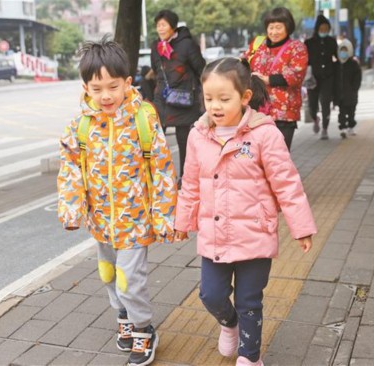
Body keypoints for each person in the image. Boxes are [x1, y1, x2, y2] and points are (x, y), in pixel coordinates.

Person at [174, 57, 317, 366]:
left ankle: (250, 358)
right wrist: (182, 221)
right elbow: (190, 183)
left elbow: (287, 183)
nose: (215, 106)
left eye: (224, 99)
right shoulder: (198, 135)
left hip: (255, 233)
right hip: (215, 234)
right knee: (210, 295)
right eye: (209, 98)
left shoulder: (264, 134)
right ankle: (229, 324)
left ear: (245, 97)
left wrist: (301, 226)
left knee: (249, 301)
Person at [57, 37, 178, 366]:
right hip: (102, 223)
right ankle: (123, 314)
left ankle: (144, 328)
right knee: (108, 274)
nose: (106, 95)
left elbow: (162, 170)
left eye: (113, 86)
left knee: (129, 279)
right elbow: (71, 171)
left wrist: (165, 216)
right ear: (86, 87)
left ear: (128, 83)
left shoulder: (144, 119)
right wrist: (71, 207)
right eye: (97, 89)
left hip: (136, 221)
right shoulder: (81, 126)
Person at [151, 9, 206, 180]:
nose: (160, 29)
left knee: (184, 142)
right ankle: (159, 178)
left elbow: (201, 69)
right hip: (162, 99)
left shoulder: (187, 44)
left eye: (164, 25)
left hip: (184, 100)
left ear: (173, 26)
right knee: (156, 140)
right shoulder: (156, 46)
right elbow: (155, 70)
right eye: (158, 25)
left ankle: (185, 178)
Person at [245, 7, 308, 150]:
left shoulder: (296, 48)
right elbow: (244, 63)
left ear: (288, 28)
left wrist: (267, 80)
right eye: (271, 27)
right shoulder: (257, 44)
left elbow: (296, 75)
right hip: (256, 112)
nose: (274, 32)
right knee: (256, 156)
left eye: (279, 27)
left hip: (283, 115)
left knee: (278, 157)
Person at [305, 14, 339, 140]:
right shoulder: (309, 43)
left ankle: (325, 128)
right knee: (312, 105)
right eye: (322, 28)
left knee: (326, 103)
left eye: (326, 29)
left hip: (328, 77)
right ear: (317, 28)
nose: (324, 31)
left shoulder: (332, 41)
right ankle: (315, 118)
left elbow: (338, 57)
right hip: (313, 78)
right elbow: (304, 61)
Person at [335, 39, 362, 139]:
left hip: (351, 94)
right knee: (342, 112)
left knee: (351, 112)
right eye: (342, 50)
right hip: (340, 95)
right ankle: (343, 128)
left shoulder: (354, 64)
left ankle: (351, 125)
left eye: (345, 50)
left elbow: (358, 78)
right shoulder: (337, 65)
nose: (343, 53)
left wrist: (354, 88)